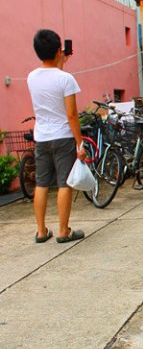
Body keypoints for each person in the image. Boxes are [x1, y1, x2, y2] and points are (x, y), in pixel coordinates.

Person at [27, 29, 87, 244]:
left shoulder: (31, 77)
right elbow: (71, 115)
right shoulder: (66, 79)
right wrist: (80, 143)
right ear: (58, 50)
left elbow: (49, 77)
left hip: (41, 137)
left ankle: (42, 231)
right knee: (64, 184)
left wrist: (60, 61)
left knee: (41, 183)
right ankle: (63, 231)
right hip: (63, 137)